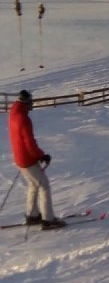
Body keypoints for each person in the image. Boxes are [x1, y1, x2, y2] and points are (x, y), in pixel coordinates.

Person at [8, 90, 63, 229]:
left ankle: (32, 215)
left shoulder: (14, 113)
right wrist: (41, 156)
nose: (32, 104)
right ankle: (48, 219)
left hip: (19, 157)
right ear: (26, 102)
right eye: (30, 102)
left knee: (34, 184)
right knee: (44, 185)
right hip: (27, 158)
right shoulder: (23, 119)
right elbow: (29, 142)